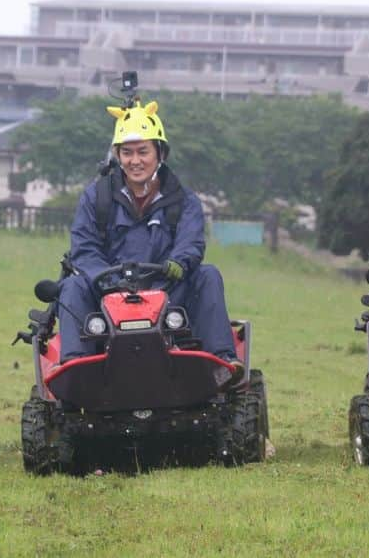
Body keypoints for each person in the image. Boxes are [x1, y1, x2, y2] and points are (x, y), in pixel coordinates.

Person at [56, 97, 244, 383]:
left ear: (160, 153)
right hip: (109, 293)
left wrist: (178, 264)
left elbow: (191, 242)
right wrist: (107, 282)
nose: (135, 161)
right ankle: (75, 370)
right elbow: (84, 248)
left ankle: (221, 362)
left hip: (168, 293)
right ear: (117, 156)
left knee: (207, 275)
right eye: (127, 153)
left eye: (143, 151)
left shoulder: (184, 200)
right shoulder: (96, 198)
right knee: (70, 286)